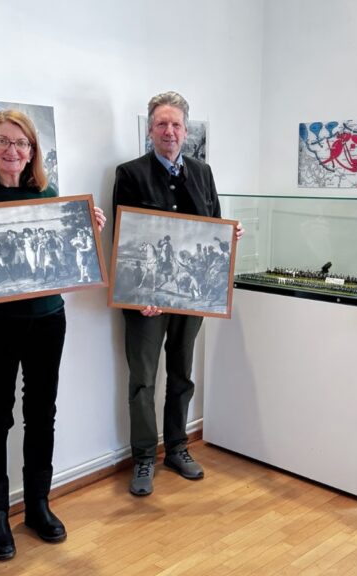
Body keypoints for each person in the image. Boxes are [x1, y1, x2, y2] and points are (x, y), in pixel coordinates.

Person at [0, 109, 106, 561]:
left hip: (48, 320)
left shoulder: (48, 195)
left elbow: (68, 256)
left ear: (32, 150)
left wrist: (86, 228)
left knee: (42, 414)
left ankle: (37, 505)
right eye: (2, 140)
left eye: (21, 143)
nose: (12, 150)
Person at [113, 91, 243, 496]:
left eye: (176, 125)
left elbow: (214, 224)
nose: (169, 131)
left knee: (182, 374)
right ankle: (144, 457)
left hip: (193, 297)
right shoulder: (130, 174)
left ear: (186, 131)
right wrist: (140, 297)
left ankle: (177, 448)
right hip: (145, 302)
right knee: (143, 380)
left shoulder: (202, 173)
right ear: (150, 130)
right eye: (161, 124)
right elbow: (123, 238)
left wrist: (230, 235)